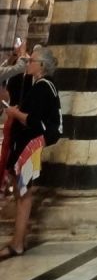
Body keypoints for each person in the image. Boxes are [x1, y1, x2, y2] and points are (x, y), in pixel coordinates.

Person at [0, 46, 62, 257]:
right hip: (28, 144)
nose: (28, 64)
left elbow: (34, 121)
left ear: (41, 66)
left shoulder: (43, 87)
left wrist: (14, 113)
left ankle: (18, 243)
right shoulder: (39, 85)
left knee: (24, 192)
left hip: (30, 145)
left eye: (31, 61)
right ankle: (17, 240)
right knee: (21, 192)